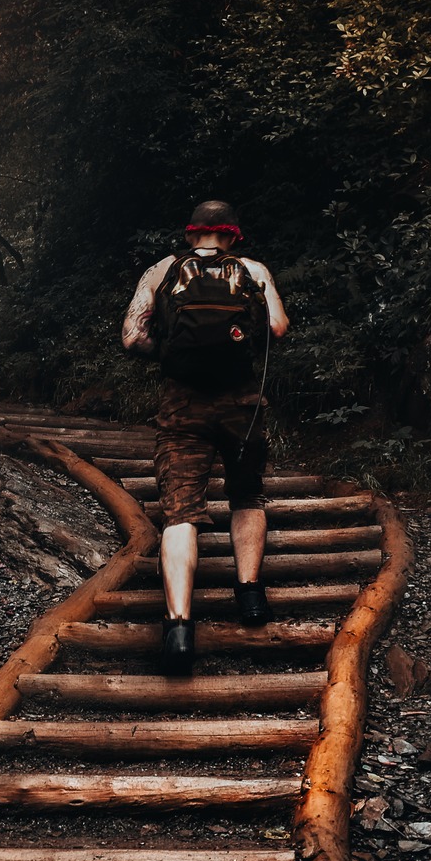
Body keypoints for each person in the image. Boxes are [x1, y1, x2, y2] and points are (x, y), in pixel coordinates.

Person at [120, 200, 291, 674]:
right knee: (246, 496)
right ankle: (251, 594)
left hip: (182, 404)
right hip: (242, 404)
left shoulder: (163, 270)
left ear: (191, 233)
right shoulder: (253, 269)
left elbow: (132, 337)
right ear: (233, 234)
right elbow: (277, 326)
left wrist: (169, 353)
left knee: (180, 513)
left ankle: (178, 628)